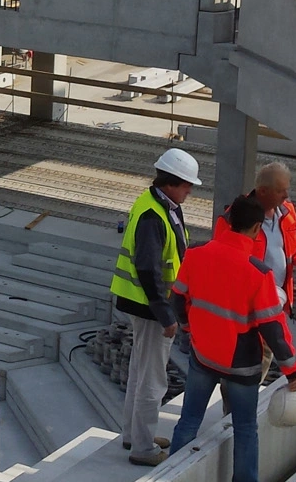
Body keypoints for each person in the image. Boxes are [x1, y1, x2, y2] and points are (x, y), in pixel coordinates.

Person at [168, 195, 296, 482]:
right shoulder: (258, 274)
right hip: (241, 365)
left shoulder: (196, 255)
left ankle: (170, 476)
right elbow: (274, 330)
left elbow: (178, 299)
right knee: (245, 429)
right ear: (257, 228)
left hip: (203, 355)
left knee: (188, 421)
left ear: (229, 222)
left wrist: (188, 329)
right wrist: (292, 373)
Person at [110, 147, 200, 466]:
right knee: (152, 378)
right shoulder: (154, 214)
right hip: (151, 307)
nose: (190, 190)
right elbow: (148, 268)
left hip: (145, 303)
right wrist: (166, 314)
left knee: (140, 371)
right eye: (188, 184)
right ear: (172, 182)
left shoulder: (160, 204)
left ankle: (134, 435)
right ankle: (144, 448)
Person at [210, 162, 296, 314]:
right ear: (263, 191)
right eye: (280, 191)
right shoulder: (233, 218)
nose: (286, 195)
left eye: (287, 189)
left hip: (278, 300)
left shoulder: (287, 210)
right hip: (249, 307)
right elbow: (222, 265)